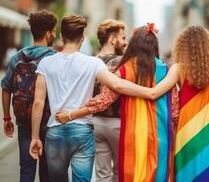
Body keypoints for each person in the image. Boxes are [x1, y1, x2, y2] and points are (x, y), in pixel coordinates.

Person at [56, 25, 209, 182]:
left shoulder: (177, 69)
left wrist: (124, 86)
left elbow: (157, 94)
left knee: (183, 174)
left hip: (185, 130)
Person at [28, 15, 160, 182]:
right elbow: (118, 85)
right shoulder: (92, 63)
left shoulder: (46, 63)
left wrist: (34, 137)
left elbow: (38, 102)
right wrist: (150, 92)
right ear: (82, 38)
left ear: (61, 36)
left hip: (55, 131)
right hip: (82, 131)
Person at [56, 23, 177, 182]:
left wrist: (71, 114)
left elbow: (103, 101)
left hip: (132, 133)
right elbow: (175, 108)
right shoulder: (166, 70)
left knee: (130, 175)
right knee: (157, 175)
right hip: (160, 133)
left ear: (134, 44)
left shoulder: (124, 69)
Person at [1, 10, 57, 182]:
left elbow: (6, 88)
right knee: (47, 172)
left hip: (24, 120)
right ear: (48, 34)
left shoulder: (18, 57)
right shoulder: (55, 58)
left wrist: (7, 118)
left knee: (26, 169)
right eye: (54, 31)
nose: (54, 34)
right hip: (48, 122)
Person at [93, 19, 127, 182]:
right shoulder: (121, 62)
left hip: (95, 122)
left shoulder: (91, 61)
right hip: (117, 123)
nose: (125, 42)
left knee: (102, 174)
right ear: (112, 39)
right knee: (120, 171)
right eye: (123, 38)